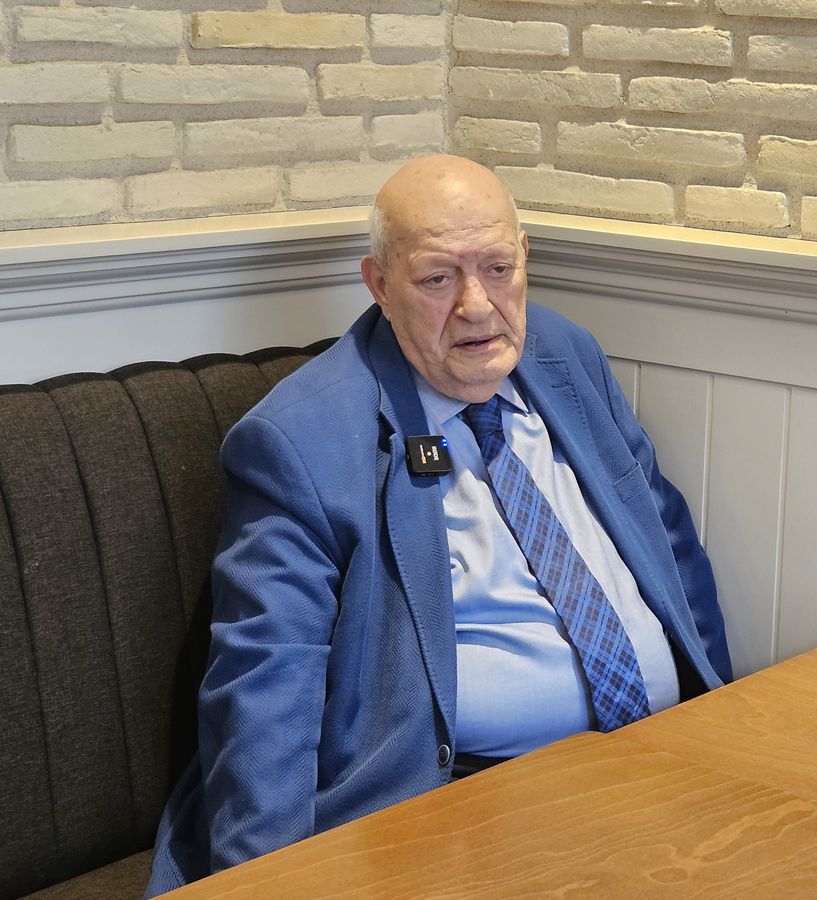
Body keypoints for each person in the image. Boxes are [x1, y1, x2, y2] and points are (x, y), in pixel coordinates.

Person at [144, 155, 731, 895]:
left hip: (661, 765)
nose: (477, 306)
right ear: (380, 285)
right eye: (437, 279)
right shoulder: (302, 441)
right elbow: (266, 682)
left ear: (525, 258)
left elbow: (667, 543)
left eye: (498, 268)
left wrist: (720, 720)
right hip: (467, 806)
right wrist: (267, 884)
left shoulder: (564, 354)